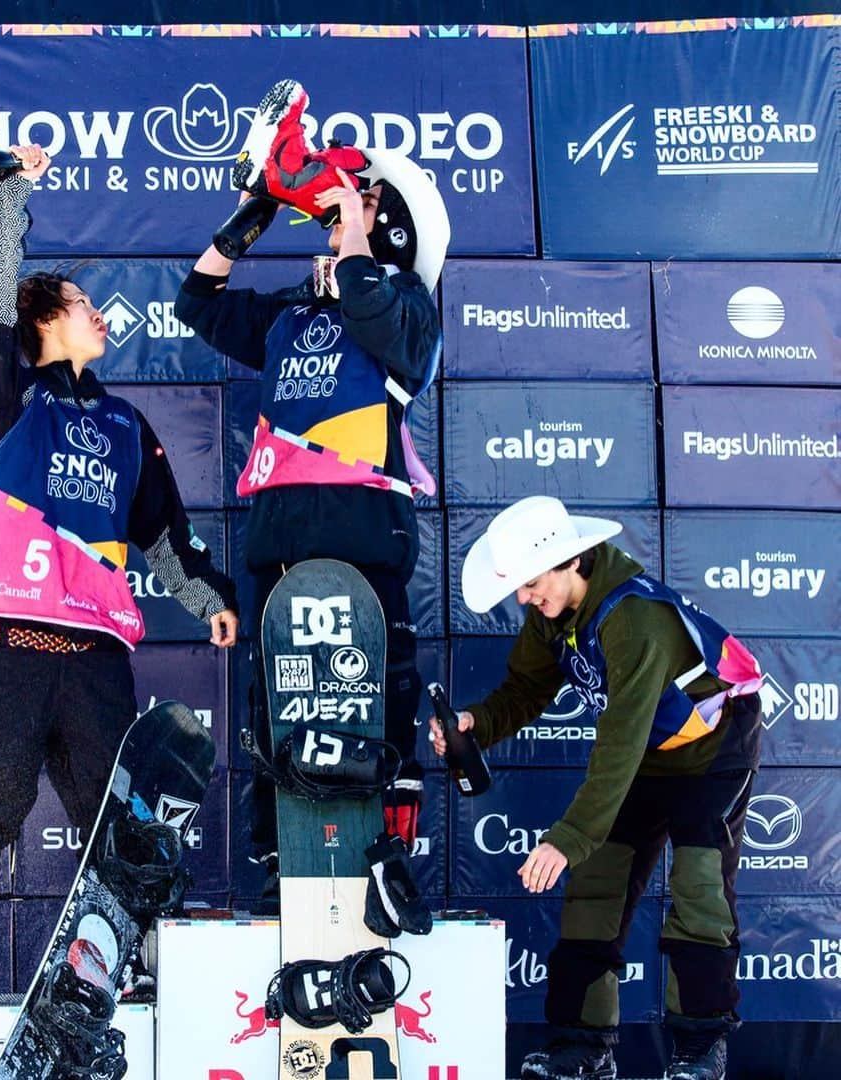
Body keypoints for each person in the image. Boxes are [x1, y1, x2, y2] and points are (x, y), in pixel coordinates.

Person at [0, 144, 239, 1006]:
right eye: (85, 302)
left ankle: (117, 967)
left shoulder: (129, 425)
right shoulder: (8, 396)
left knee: (118, 829)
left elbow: (164, 535)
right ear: (46, 318)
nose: (100, 315)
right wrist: (13, 191)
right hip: (9, 650)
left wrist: (207, 599)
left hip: (96, 659)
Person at [175, 81, 450, 901]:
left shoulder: (410, 308)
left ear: (385, 227)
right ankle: (277, 859)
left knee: (381, 686)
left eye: (346, 214)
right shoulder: (296, 311)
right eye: (331, 218)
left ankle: (386, 858)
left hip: (365, 522)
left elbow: (368, 300)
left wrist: (358, 230)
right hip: (281, 529)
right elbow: (198, 303)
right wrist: (251, 215)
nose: (329, 226)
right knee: (276, 693)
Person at [430, 495, 763, 1080]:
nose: (525, 599)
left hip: (714, 750)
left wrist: (568, 836)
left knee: (698, 887)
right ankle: (581, 1049)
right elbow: (524, 691)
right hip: (648, 751)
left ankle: (699, 1049)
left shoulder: (635, 620)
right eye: (520, 589)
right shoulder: (551, 613)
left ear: (572, 562)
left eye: (532, 584)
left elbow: (618, 745)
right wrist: (474, 726)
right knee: (596, 887)